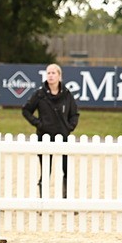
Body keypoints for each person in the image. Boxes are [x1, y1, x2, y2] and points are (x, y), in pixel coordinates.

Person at [22, 63, 79, 197]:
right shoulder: (39, 94)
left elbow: (74, 114)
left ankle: (66, 197)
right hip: (44, 136)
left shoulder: (67, 94)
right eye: (48, 73)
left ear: (59, 76)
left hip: (63, 137)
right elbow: (26, 110)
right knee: (45, 169)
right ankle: (44, 198)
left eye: (53, 73)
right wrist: (39, 124)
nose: (50, 75)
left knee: (66, 168)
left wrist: (69, 127)